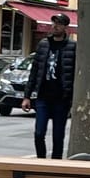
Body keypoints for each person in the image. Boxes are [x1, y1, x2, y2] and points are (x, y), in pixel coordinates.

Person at [22, 13, 76, 159]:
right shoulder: (44, 44)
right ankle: (41, 160)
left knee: (58, 136)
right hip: (42, 97)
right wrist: (27, 96)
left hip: (61, 99)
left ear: (65, 27)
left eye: (58, 24)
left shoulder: (72, 47)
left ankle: (55, 164)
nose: (55, 26)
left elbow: (75, 74)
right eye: (53, 23)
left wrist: (72, 99)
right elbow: (35, 71)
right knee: (39, 133)